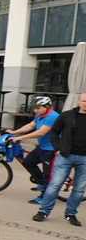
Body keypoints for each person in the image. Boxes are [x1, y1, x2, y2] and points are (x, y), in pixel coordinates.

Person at [32, 92, 86, 225]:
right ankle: (43, 211)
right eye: (84, 101)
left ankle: (70, 214)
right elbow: (54, 131)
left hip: (84, 158)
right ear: (79, 101)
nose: (85, 103)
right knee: (55, 185)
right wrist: (58, 147)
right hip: (66, 156)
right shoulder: (67, 115)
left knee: (79, 189)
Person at [5, 96, 58, 199]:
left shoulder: (52, 117)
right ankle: (42, 182)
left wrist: (21, 137)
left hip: (51, 150)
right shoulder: (40, 115)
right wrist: (14, 132)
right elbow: (30, 126)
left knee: (48, 175)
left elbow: (41, 132)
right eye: (34, 108)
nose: (35, 110)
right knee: (28, 162)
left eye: (38, 108)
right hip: (42, 147)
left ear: (47, 107)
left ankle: (44, 197)